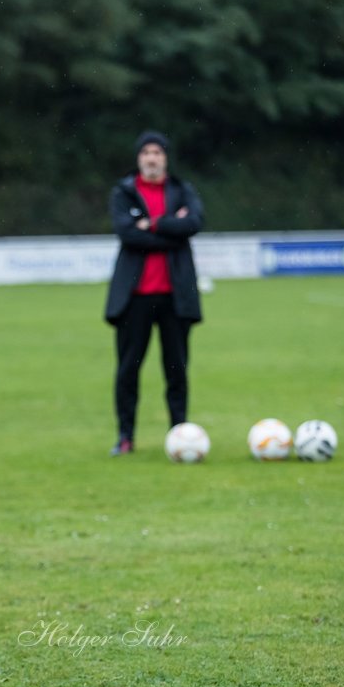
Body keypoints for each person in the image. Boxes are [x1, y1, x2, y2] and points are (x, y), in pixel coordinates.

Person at [104, 130, 205, 456]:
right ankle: (125, 437)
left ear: (165, 158)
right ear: (139, 159)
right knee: (128, 370)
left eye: (157, 153)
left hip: (175, 297)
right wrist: (170, 228)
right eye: (146, 152)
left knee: (177, 370)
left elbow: (195, 223)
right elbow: (127, 234)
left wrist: (152, 224)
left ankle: (180, 435)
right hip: (135, 297)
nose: (152, 158)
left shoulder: (182, 190)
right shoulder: (124, 192)